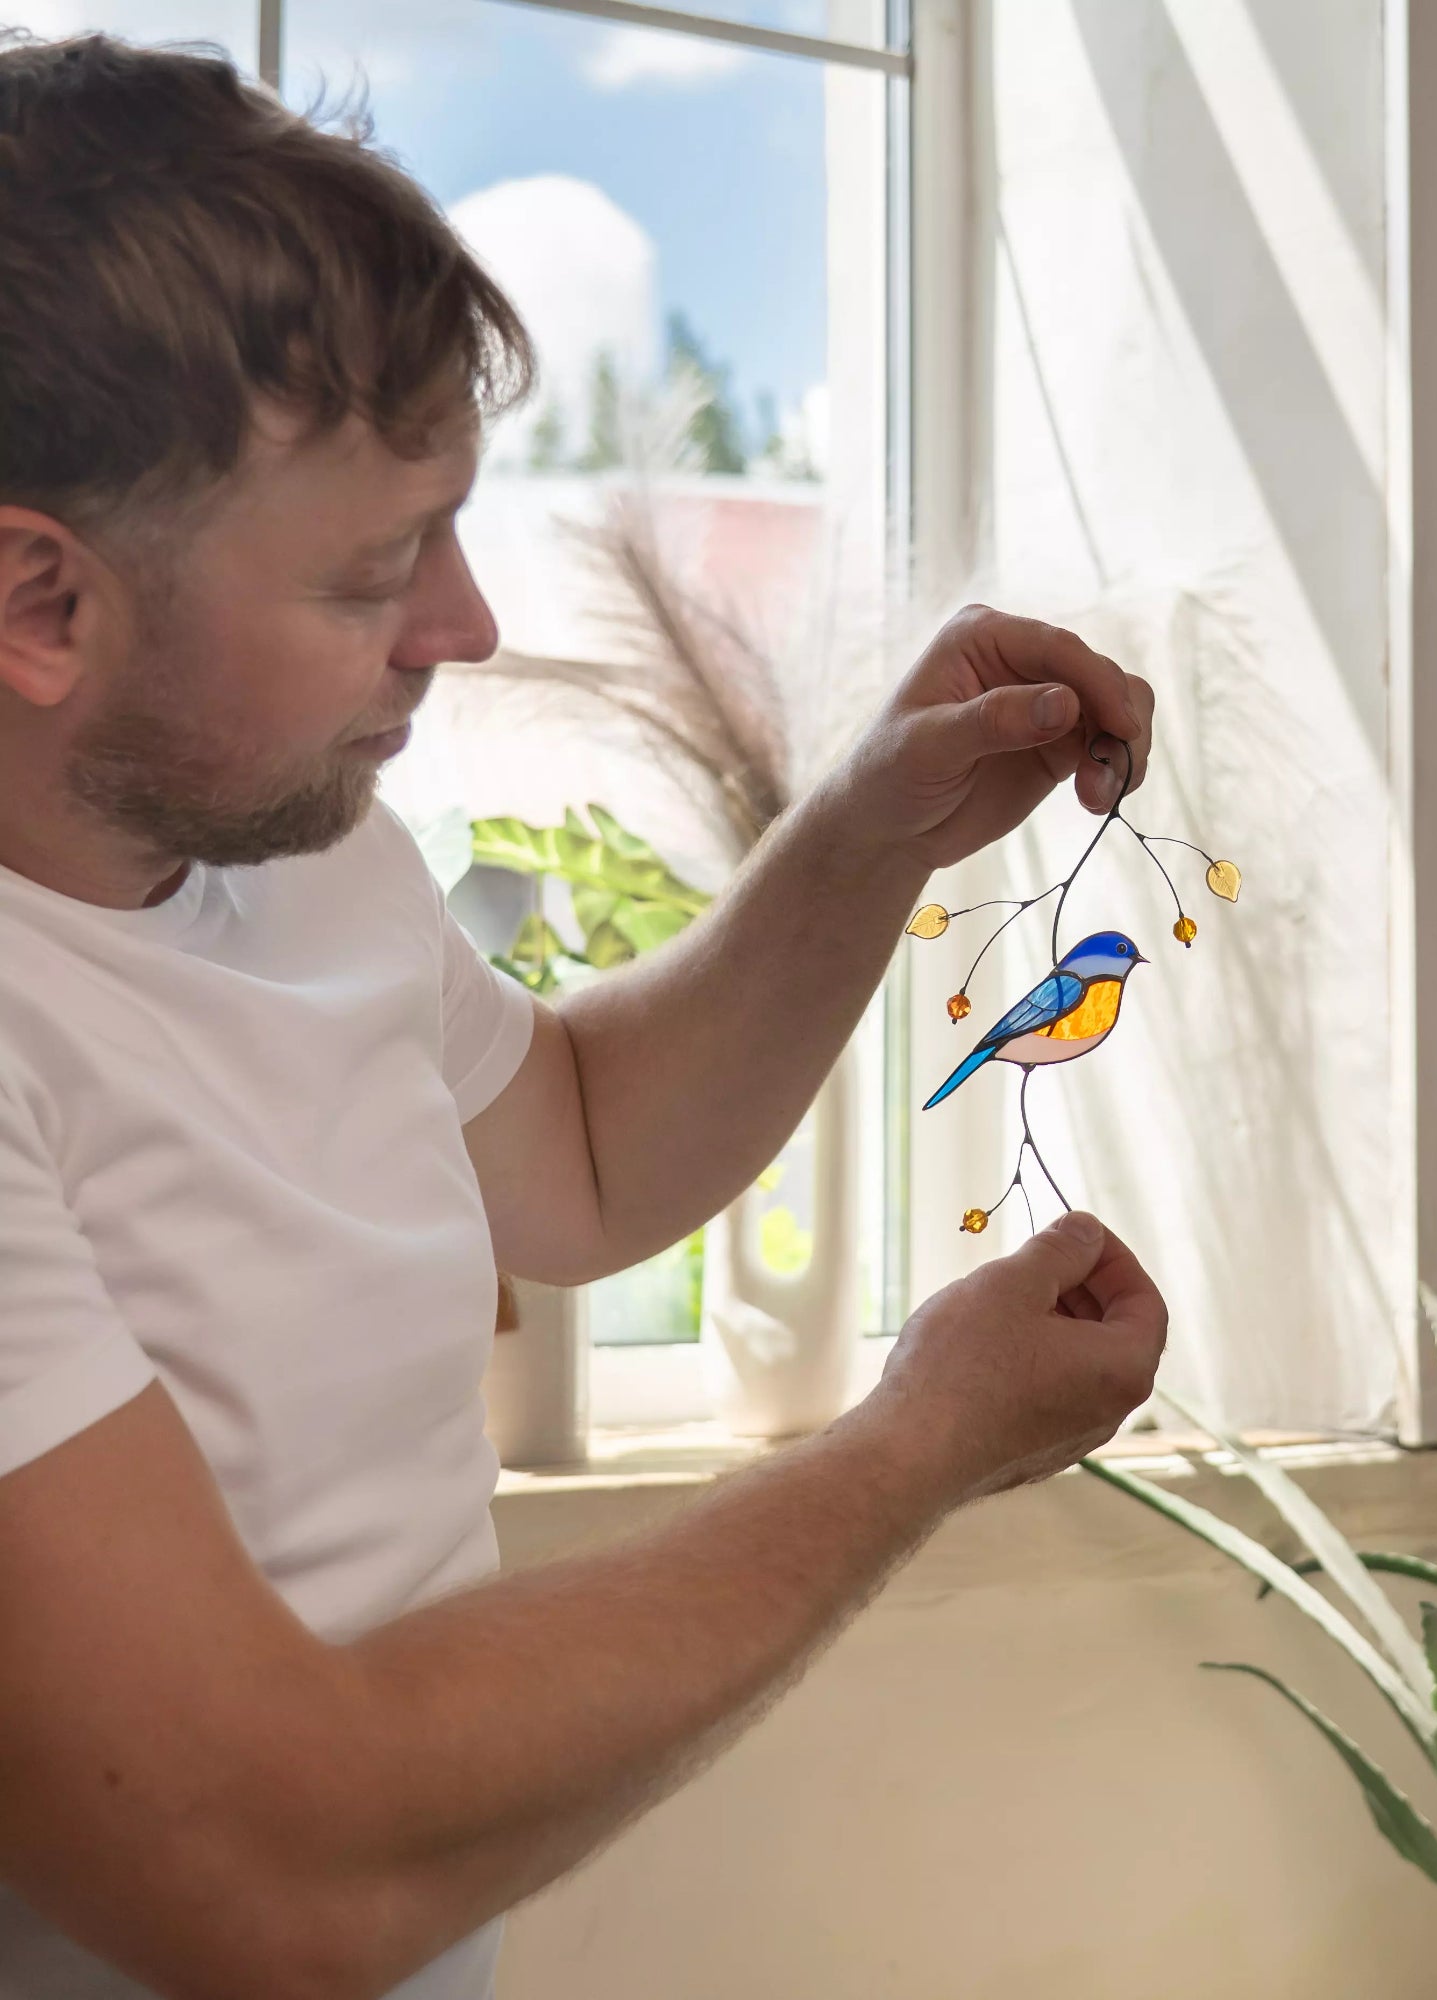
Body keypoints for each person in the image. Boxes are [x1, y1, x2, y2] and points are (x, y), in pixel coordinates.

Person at [0, 31, 1169, 2000]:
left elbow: (584, 1152)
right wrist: (916, 1444)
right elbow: (264, 1871)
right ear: (42, 605)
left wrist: (865, 830)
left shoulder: (307, 849)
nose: (465, 627)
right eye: (376, 570)